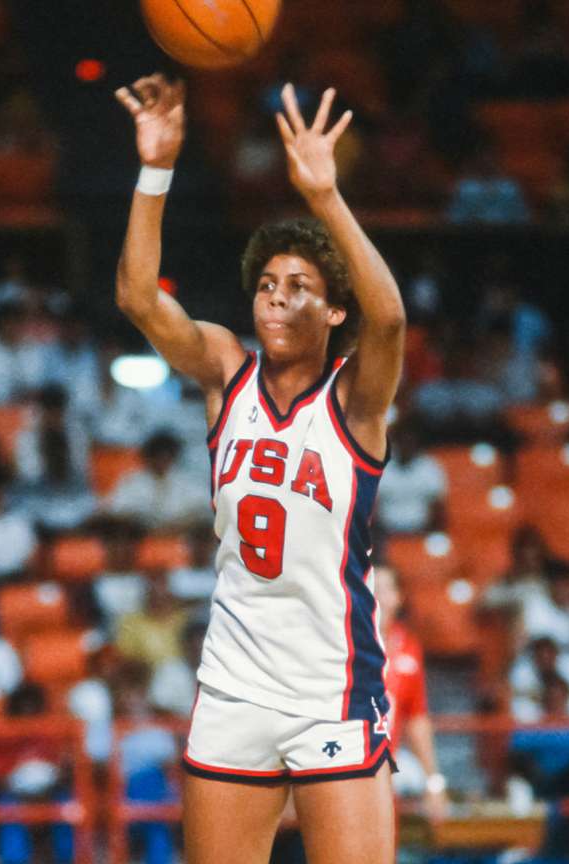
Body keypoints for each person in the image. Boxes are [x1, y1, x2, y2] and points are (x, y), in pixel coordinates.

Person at [114, 73, 405, 863]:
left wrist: (326, 198)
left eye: (301, 287)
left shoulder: (355, 402)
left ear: (332, 311)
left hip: (331, 690)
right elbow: (140, 298)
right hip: (235, 683)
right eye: (269, 285)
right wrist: (156, 167)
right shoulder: (223, 372)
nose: (277, 299)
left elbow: (391, 317)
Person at [374, 565, 447, 822]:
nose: (378, 596)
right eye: (372, 588)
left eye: (385, 589)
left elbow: (417, 717)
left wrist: (433, 782)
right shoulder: (343, 643)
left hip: (384, 774)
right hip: (343, 771)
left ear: (398, 596)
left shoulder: (408, 648)